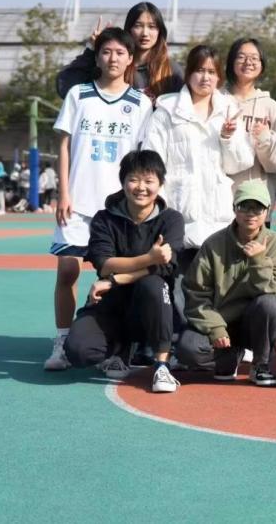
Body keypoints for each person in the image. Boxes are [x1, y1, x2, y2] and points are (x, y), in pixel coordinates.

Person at [44, 28, 154, 371]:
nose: (113, 58)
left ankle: (118, 348)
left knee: (118, 278)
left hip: (120, 208)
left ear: (130, 59)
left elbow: (142, 157)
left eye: (120, 53)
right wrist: (63, 192)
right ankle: (62, 341)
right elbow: (64, 145)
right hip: (77, 203)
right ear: (98, 55)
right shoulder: (78, 95)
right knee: (67, 271)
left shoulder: (141, 103)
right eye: (106, 51)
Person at [62, 150, 185, 392]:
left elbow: (165, 266)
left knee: (155, 284)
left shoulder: (171, 220)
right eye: (134, 179)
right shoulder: (104, 219)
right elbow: (104, 263)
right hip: (112, 304)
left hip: (150, 304)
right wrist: (149, 258)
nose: (141, 187)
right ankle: (120, 346)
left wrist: (115, 280)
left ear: (160, 184)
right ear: (123, 182)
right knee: (78, 352)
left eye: (149, 181)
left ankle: (162, 365)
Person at [143, 45, 254, 272]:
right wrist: (160, 213)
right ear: (188, 73)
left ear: (219, 77)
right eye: (200, 70)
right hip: (178, 214)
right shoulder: (167, 110)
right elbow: (152, 164)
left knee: (218, 286)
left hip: (218, 216)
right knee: (180, 286)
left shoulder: (229, 109)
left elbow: (240, 163)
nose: (205, 78)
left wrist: (227, 138)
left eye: (212, 72)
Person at [175, 180, 276, 386]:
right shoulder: (213, 244)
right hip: (220, 320)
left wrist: (258, 260)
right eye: (244, 206)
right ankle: (229, 356)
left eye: (257, 208)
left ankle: (260, 364)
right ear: (234, 209)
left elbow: (274, 288)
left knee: (270, 304)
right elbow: (196, 293)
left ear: (267, 211)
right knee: (189, 349)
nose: (250, 214)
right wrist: (216, 328)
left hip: (253, 322)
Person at [56, 2, 183, 101]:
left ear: (160, 32)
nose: (145, 33)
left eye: (152, 27)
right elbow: (65, 87)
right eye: (138, 26)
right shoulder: (112, 66)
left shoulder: (171, 71)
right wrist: (91, 50)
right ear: (128, 29)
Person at [224, 37, 276, 201]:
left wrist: (266, 139)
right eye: (241, 57)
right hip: (221, 197)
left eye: (254, 58)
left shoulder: (270, 106)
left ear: (262, 65)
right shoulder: (218, 101)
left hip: (258, 199)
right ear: (231, 62)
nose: (248, 62)